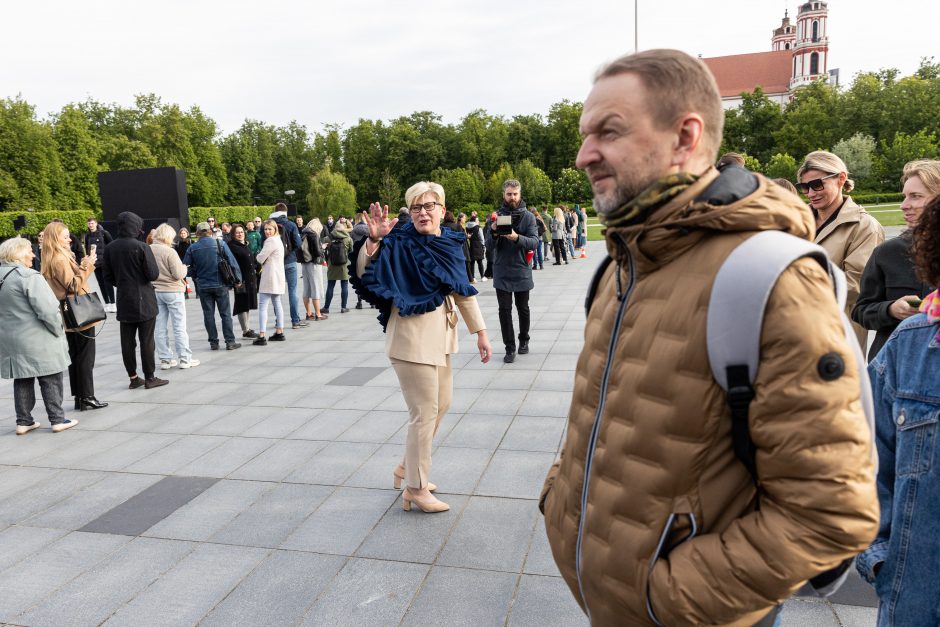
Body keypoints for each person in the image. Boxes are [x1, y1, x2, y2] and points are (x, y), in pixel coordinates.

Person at [540, 49, 879, 627]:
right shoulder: (622, 264)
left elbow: (832, 513)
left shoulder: (769, 278)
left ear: (685, 136)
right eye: (584, 134)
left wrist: (666, 595)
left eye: (608, 131)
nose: (583, 154)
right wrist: (559, 502)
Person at [352, 183, 492, 513]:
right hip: (410, 341)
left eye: (429, 206)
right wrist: (373, 241)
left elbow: (462, 291)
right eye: (416, 208)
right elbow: (364, 273)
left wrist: (481, 333)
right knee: (424, 413)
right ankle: (415, 487)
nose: (423, 213)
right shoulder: (397, 241)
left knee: (441, 406)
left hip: (441, 337)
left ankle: (407, 467)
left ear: (443, 210)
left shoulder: (450, 242)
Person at [857, 194, 940, 625]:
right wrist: (881, 558)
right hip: (916, 593)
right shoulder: (912, 344)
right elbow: (867, 457)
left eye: (916, 194)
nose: (907, 203)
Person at [798, 150, 885, 350]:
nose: (811, 193)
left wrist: (795, 286)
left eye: (817, 185)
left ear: (841, 179)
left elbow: (856, 285)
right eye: (805, 187)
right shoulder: (797, 221)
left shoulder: (864, 226)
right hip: (795, 327)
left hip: (837, 335)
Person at [853, 159, 938, 361]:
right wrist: (890, 309)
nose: (904, 205)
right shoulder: (887, 252)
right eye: (904, 197)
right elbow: (860, 311)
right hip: (895, 370)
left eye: (915, 197)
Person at [0, 237, 77, 434]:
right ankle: (57, 419)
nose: (33, 254)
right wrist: (57, 330)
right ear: (18, 253)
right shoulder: (28, 276)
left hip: (10, 338)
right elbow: (48, 311)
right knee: (50, 375)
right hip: (37, 336)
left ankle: (23, 421)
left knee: (22, 377)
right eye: (29, 251)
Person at [39, 221, 107, 412]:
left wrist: (84, 264)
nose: (70, 239)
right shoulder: (59, 259)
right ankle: (86, 397)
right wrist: (87, 265)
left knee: (77, 356)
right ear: (56, 239)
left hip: (69, 312)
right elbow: (74, 286)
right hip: (78, 311)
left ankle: (81, 397)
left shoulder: (53, 257)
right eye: (65, 236)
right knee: (85, 356)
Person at [102, 211, 168, 389]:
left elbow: (107, 276)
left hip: (124, 298)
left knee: (127, 342)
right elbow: (153, 274)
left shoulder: (110, 248)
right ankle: (150, 377)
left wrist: (123, 282)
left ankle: (133, 377)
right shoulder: (141, 246)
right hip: (144, 298)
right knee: (147, 340)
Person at [490, 179, 539, 363]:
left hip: (521, 269)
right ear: (504, 194)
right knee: (504, 310)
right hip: (502, 270)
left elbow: (534, 242)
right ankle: (509, 347)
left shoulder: (529, 217)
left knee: (523, 308)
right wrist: (494, 231)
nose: (512, 197)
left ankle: (524, 340)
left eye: (515, 194)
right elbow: (489, 246)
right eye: (509, 194)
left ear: (520, 194)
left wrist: (516, 237)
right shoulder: (495, 216)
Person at [183, 221, 242, 351]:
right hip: (221, 284)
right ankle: (230, 342)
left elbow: (185, 268)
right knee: (225, 314)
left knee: (208, 315)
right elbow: (232, 263)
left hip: (203, 286)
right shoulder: (220, 244)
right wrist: (238, 280)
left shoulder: (192, 248)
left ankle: (214, 343)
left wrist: (196, 274)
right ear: (210, 231)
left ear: (197, 233)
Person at [150, 223, 198, 370]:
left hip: (156, 291)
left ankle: (165, 359)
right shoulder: (170, 252)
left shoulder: (148, 249)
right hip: (173, 291)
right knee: (179, 326)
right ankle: (184, 359)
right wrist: (184, 268)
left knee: (159, 327)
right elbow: (178, 274)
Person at [267, 203, 306, 330]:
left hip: (275, 263)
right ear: (285, 212)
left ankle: (279, 321)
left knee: (276, 293)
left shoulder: (268, 225)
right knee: (293, 291)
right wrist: (290, 252)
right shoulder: (291, 224)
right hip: (290, 261)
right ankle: (295, 320)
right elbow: (298, 243)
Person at [252, 220, 287, 345]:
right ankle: (279, 331)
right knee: (277, 304)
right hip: (278, 275)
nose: (267, 231)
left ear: (275, 229)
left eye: (269, 229)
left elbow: (260, 258)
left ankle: (262, 335)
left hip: (269, 276)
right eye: (265, 229)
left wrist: (258, 256)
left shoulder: (270, 241)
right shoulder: (278, 240)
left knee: (263, 305)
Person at [228, 223, 260, 338]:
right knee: (242, 304)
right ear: (233, 234)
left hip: (250, 278)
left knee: (247, 304)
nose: (240, 234)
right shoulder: (232, 246)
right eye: (237, 232)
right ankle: (245, 330)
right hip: (241, 280)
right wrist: (237, 280)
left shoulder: (245, 244)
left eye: (241, 232)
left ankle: (247, 327)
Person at [84, 217, 115, 313]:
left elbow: (111, 245)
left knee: (108, 283)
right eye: (89, 224)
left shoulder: (104, 233)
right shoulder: (87, 236)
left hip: (105, 262)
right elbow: (87, 249)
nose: (90, 225)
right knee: (100, 283)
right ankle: (107, 303)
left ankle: (113, 304)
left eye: (92, 223)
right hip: (95, 263)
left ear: (96, 224)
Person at [323, 220, 353, 314]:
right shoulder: (348, 238)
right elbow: (351, 251)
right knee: (344, 286)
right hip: (344, 265)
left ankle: (326, 307)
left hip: (332, 265)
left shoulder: (328, 238)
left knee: (330, 286)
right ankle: (343, 307)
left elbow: (323, 247)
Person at [301, 217, 327, 320]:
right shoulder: (314, 235)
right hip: (314, 264)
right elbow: (317, 252)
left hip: (305, 263)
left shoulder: (304, 233)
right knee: (316, 288)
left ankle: (308, 313)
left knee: (306, 289)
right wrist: (322, 248)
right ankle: (318, 314)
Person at [351, 211, 371, 309]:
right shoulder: (369, 229)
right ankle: (373, 302)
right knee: (370, 277)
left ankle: (359, 302)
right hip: (368, 254)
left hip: (358, 255)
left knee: (358, 278)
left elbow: (352, 243)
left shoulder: (354, 230)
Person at [466, 212, 486, 280]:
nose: (478, 221)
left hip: (471, 245)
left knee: (472, 262)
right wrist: (483, 245)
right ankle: (482, 276)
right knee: (480, 262)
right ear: (475, 221)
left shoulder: (467, 227)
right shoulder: (478, 228)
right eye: (477, 220)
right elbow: (481, 238)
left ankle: (473, 277)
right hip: (478, 245)